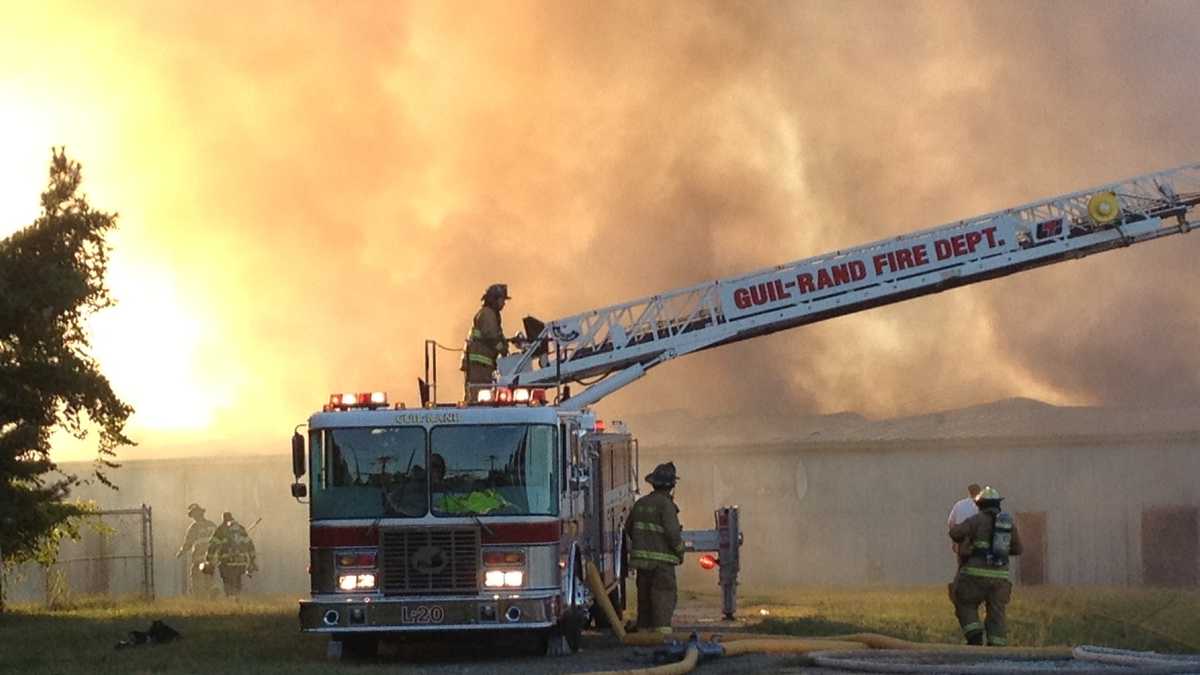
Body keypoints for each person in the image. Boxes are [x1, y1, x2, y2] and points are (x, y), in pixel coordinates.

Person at [949, 486, 1023, 646]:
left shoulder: (976, 520)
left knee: (964, 601)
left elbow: (955, 533)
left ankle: (974, 635)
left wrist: (969, 541)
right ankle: (996, 649)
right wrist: (1000, 550)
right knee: (997, 613)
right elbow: (1018, 549)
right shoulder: (1008, 523)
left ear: (980, 505)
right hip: (1000, 579)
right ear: (998, 504)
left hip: (974, 576)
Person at [623, 462, 685, 633]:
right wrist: (680, 551)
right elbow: (673, 534)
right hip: (662, 567)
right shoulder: (666, 506)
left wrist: (643, 544)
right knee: (663, 600)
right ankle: (662, 640)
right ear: (672, 486)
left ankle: (643, 637)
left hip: (643, 565)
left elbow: (629, 528)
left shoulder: (641, 503)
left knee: (645, 603)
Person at [462, 283, 515, 400]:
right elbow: (491, 336)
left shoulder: (490, 314)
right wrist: (503, 349)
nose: (504, 303)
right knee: (478, 397)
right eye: (502, 300)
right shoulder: (487, 314)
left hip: (481, 365)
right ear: (494, 299)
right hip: (478, 365)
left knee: (480, 395)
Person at [204, 512, 258, 597]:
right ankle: (237, 598)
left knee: (228, 583)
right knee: (237, 581)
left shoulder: (221, 529)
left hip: (226, 563)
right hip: (240, 563)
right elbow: (249, 545)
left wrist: (208, 560)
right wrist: (252, 560)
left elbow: (212, 546)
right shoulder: (240, 529)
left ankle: (231, 598)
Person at [175, 503, 216, 597]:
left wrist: (180, 552)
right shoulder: (212, 525)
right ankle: (212, 596)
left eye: (193, 514)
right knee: (208, 579)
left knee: (195, 578)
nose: (193, 517)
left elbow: (188, 543)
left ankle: (199, 599)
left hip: (199, 559)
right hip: (211, 559)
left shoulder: (194, 527)